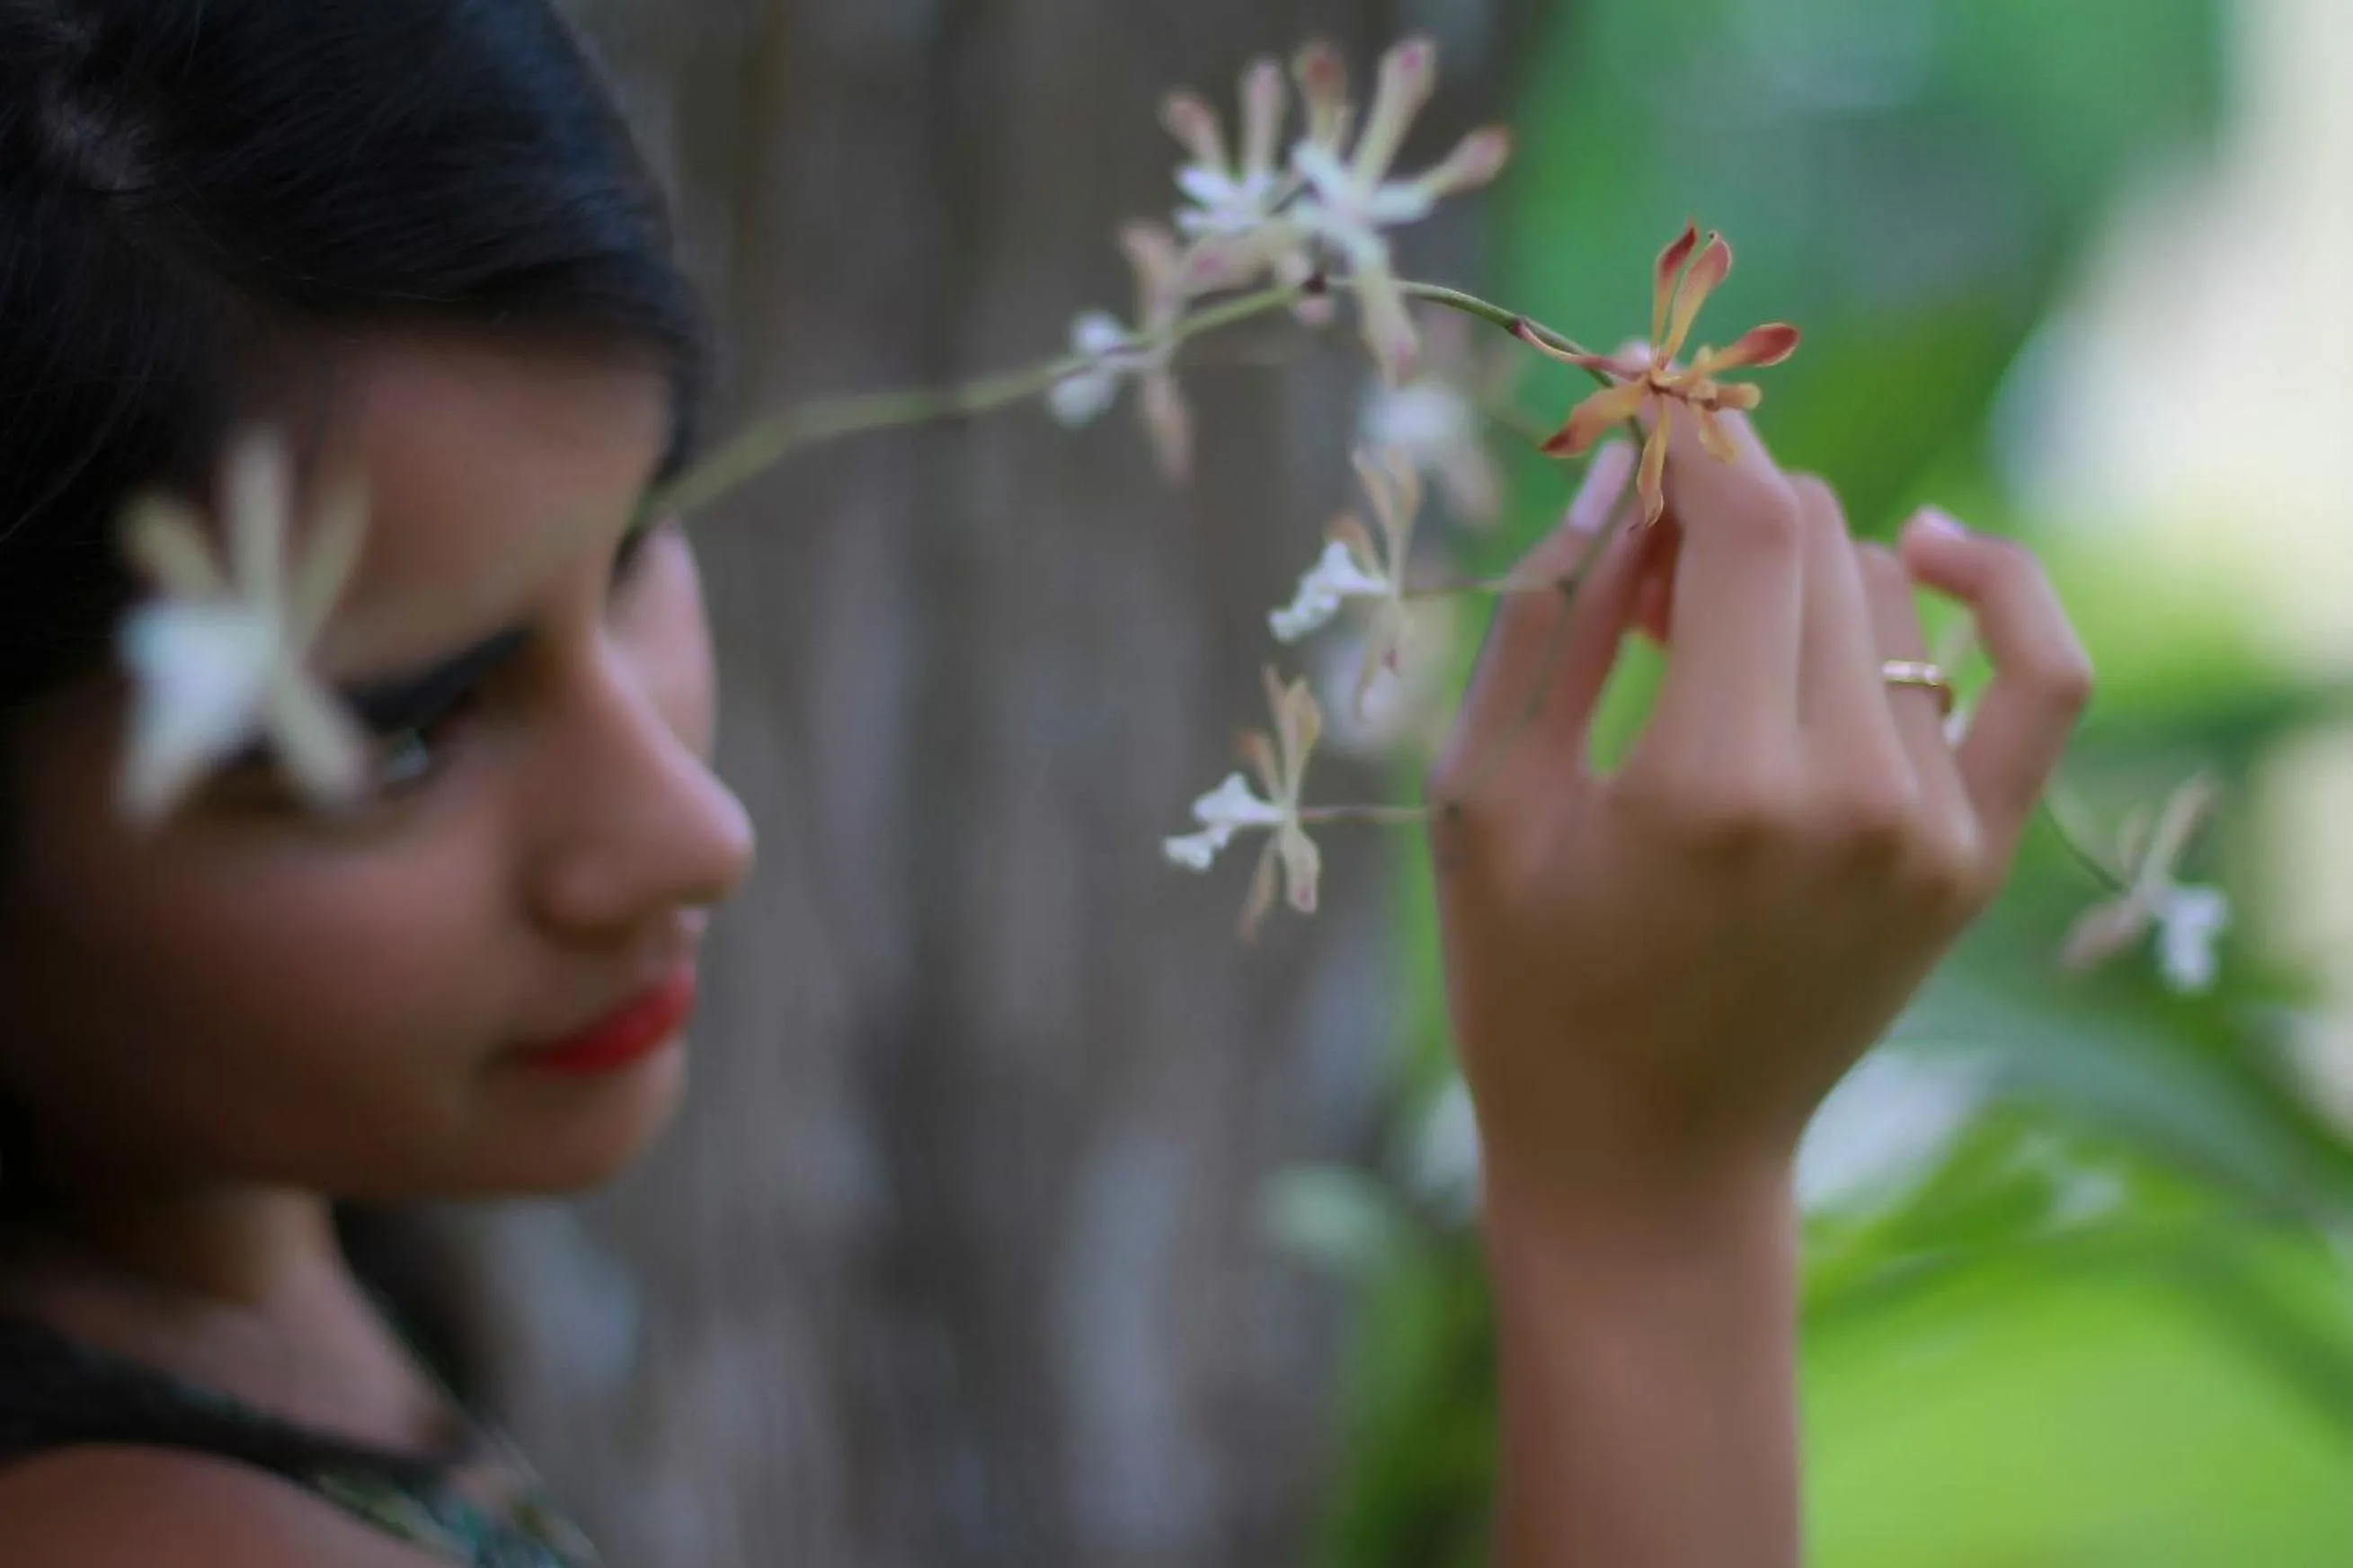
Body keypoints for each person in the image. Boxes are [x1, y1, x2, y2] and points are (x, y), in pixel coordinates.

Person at [0, 2, 2091, 1564]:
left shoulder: (247, 1277)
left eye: (636, 545)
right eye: (398, 731)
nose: (689, 833)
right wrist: (1651, 1206)